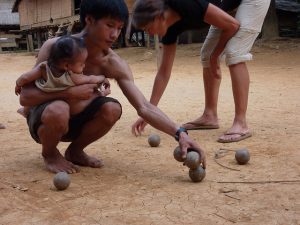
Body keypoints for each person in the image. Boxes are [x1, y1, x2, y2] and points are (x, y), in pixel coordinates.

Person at [18, 0, 205, 174]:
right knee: (59, 108)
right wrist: (69, 92)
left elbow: (144, 107)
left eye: (119, 28)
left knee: (112, 108)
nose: (115, 34)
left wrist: (180, 133)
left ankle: (75, 151)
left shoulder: (113, 63)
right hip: (47, 121)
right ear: (89, 20)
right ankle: (50, 154)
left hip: (77, 122)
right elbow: (25, 97)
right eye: (109, 25)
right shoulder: (56, 48)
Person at [131, 0, 270, 143]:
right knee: (206, 54)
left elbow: (233, 26)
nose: (148, 33)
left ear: (159, 17)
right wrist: (149, 112)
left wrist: (215, 56)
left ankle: (241, 123)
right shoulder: (170, 28)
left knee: (235, 52)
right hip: (228, 4)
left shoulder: (188, 4)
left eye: (147, 28)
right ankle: (210, 116)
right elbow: (163, 73)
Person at [15, 35, 110, 117]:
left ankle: (25, 111)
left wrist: (18, 84)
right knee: (88, 92)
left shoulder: (43, 68)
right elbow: (91, 79)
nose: (84, 66)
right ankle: (102, 94)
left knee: (33, 98)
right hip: (65, 100)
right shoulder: (72, 77)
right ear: (67, 66)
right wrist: (103, 78)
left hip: (44, 96)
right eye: (81, 64)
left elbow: (25, 78)